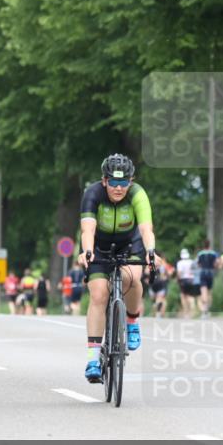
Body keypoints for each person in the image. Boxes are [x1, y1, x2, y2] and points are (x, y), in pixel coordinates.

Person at [76, 153, 157, 383]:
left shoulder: (137, 194)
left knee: (131, 278)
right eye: (113, 182)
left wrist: (151, 251)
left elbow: (146, 228)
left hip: (130, 244)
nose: (119, 188)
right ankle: (93, 359)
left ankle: (131, 321)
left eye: (124, 182)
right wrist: (88, 252)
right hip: (98, 246)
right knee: (99, 294)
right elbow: (87, 230)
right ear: (104, 180)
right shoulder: (93, 193)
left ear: (131, 181)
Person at [196, 240, 218, 318]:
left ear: (203, 245)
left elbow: (198, 264)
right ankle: (207, 309)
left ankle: (204, 310)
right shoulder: (213, 253)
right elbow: (216, 264)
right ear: (209, 245)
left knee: (203, 291)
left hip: (203, 273)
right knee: (209, 292)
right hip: (210, 273)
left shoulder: (200, 253)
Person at [175, 249, 197, 319]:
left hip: (183, 280)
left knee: (183, 296)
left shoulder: (180, 263)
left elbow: (179, 272)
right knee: (191, 296)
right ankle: (193, 312)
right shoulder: (192, 262)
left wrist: (177, 279)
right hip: (191, 280)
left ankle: (186, 312)